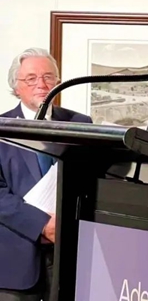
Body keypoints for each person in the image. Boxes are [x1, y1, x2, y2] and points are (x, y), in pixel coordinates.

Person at [0, 48, 92, 300]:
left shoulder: (81, 125)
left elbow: (92, 179)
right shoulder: (1, 128)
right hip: (14, 264)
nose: (41, 84)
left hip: (71, 255)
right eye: (31, 78)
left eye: (48, 77)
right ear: (16, 87)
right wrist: (42, 224)